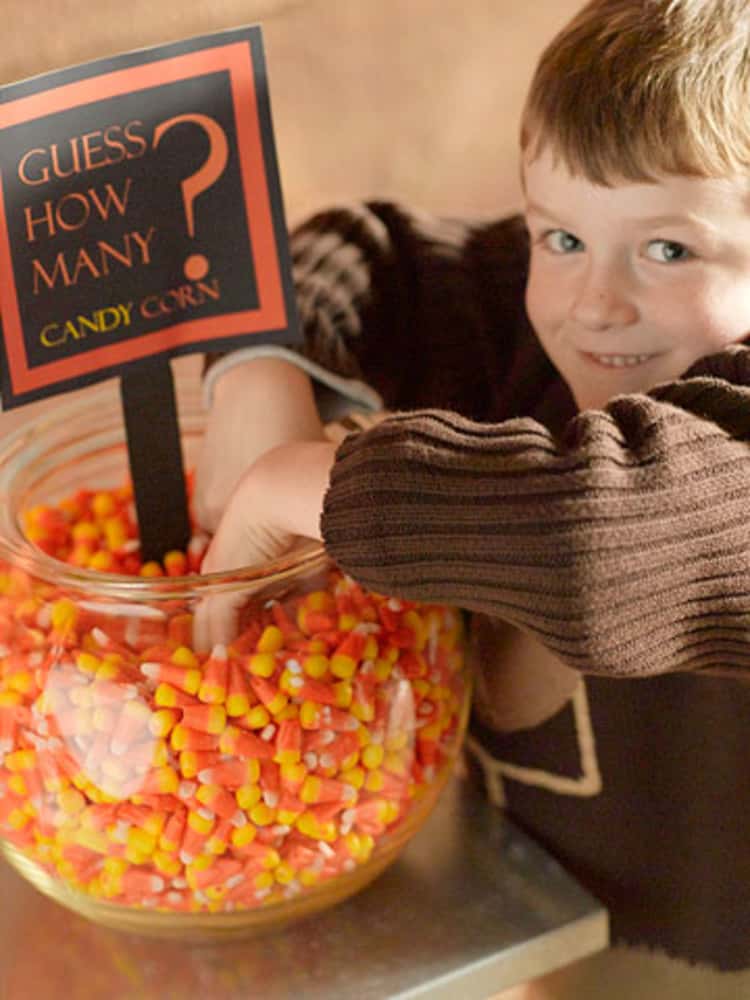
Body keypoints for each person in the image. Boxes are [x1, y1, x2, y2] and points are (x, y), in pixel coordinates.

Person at [194, 1, 750, 995]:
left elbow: (596, 541)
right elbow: (366, 252)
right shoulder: (547, 310)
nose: (594, 301)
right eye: (561, 233)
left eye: (669, 251)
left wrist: (297, 480)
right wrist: (259, 371)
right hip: (541, 908)